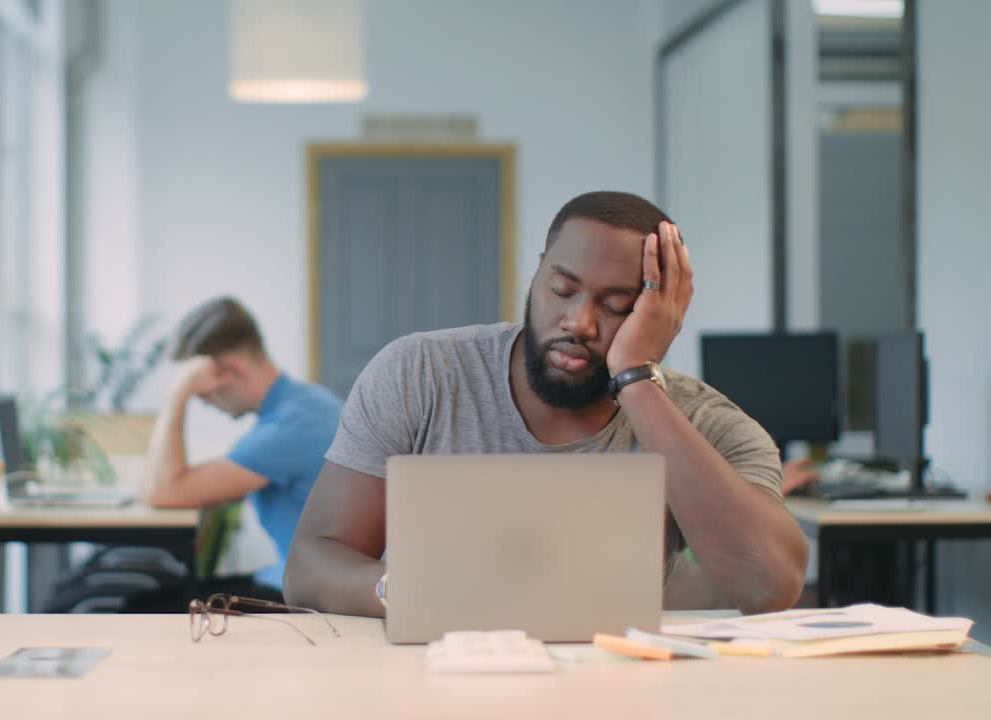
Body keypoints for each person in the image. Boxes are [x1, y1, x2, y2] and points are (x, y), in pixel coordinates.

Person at [284, 191, 809, 617]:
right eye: (562, 289)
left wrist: (635, 378)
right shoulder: (421, 372)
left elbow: (767, 587)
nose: (578, 322)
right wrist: (410, 592)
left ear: (662, 312)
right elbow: (310, 564)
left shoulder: (705, 424)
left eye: (616, 306)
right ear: (537, 276)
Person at [146, 297, 342, 596]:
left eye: (203, 393)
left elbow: (164, 491)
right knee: (155, 597)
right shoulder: (304, 405)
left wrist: (177, 394)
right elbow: (159, 484)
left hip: (303, 598)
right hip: (300, 582)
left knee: (141, 607)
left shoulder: (290, 427)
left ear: (230, 370)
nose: (206, 403)